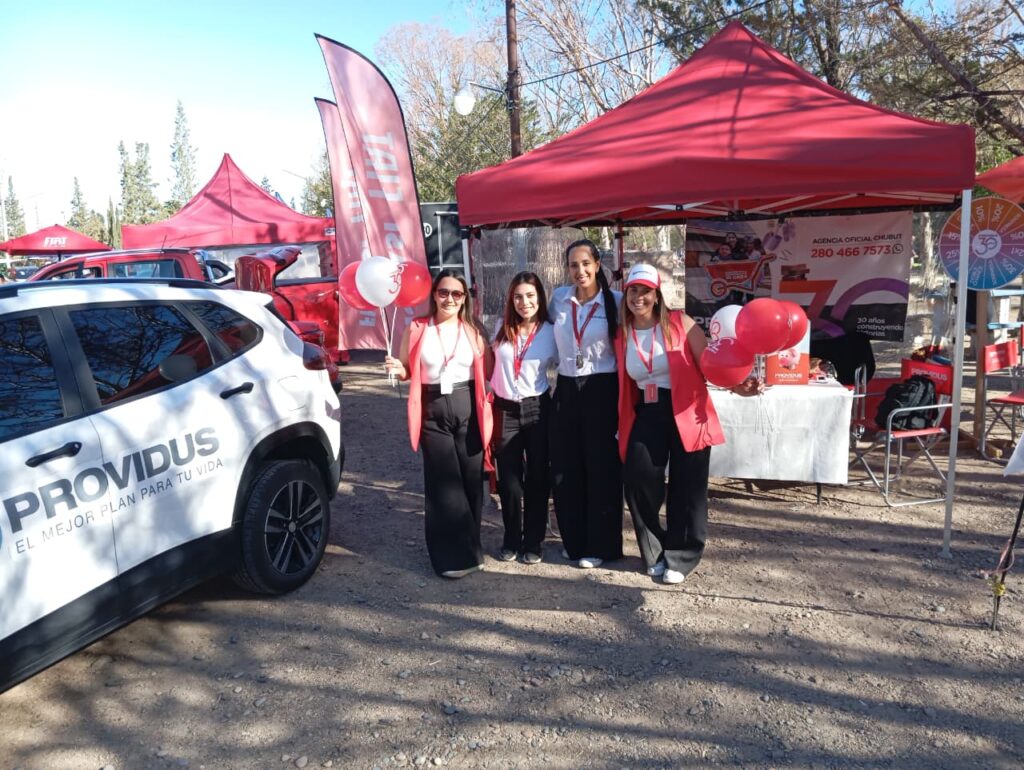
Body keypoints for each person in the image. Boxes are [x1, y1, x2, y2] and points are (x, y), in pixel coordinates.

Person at [615, 263, 761, 585]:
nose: (638, 297)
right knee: (638, 478)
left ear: (657, 295)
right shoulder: (622, 333)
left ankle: (681, 556)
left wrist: (737, 386)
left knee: (687, 487)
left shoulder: (680, 323)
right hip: (648, 411)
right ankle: (654, 550)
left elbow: (710, 364)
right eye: (633, 290)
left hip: (687, 410)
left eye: (645, 291)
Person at [385, 269, 493, 579]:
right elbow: (407, 370)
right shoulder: (418, 328)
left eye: (456, 293)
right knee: (444, 484)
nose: (449, 299)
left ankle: (472, 549)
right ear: (434, 294)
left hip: (468, 408)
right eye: (443, 292)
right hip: (433, 412)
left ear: (464, 298)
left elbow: (488, 372)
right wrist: (398, 369)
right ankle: (449, 559)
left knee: (471, 483)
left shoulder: (473, 330)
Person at [549, 239, 623, 568]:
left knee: (601, 467)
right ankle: (574, 540)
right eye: (573, 265)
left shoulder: (615, 301)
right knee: (566, 466)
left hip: (601, 387)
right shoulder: (559, 299)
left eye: (585, 264)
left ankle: (600, 545)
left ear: (597, 265)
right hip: (566, 386)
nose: (579, 271)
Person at [489, 272, 558, 564]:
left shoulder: (551, 331)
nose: (524, 302)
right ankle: (511, 539)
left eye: (530, 295)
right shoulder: (501, 327)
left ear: (540, 297)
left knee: (538, 477)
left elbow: (568, 364)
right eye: (518, 296)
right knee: (509, 481)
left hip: (537, 408)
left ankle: (533, 541)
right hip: (505, 409)